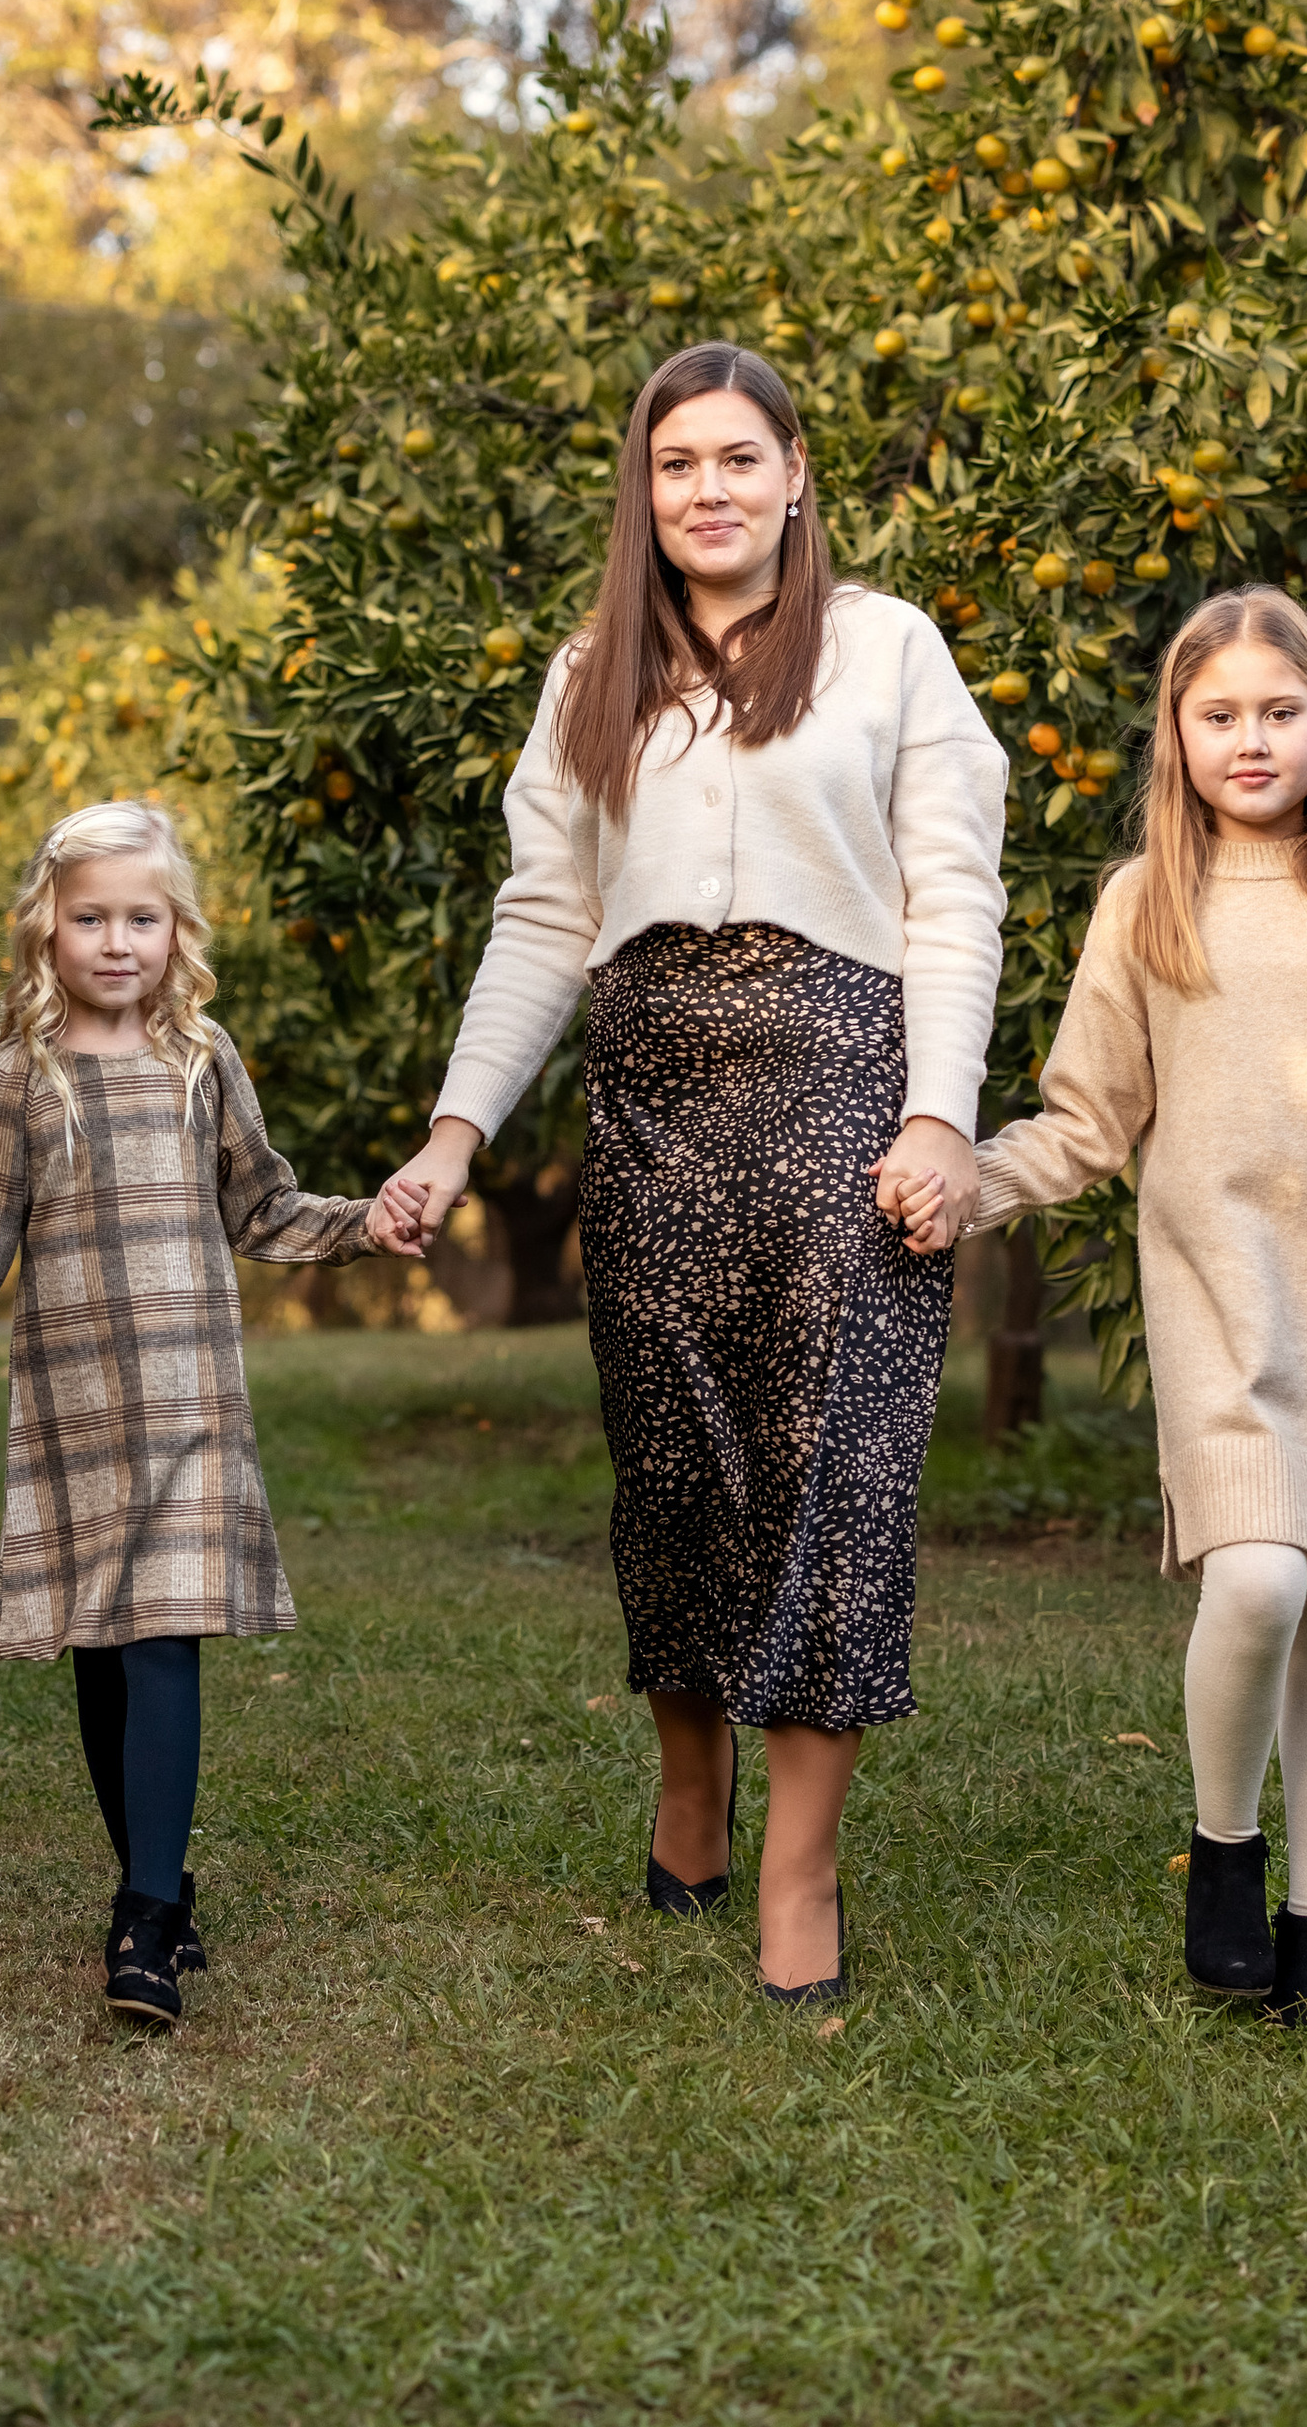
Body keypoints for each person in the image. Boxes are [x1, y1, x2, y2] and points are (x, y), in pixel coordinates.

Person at [379, 342, 1007, 2004]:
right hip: (652, 1099)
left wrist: (939, 1117)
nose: (709, 491)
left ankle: (801, 1872)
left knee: (835, 1476)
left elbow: (954, 900)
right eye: (677, 466)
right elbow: (542, 922)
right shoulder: (597, 670)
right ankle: (689, 1777)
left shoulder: (887, 650)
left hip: (847, 1103)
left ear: (797, 472)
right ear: (641, 492)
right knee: (674, 1468)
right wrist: (457, 1133)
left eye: (739, 459)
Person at [889, 582, 1307, 2019]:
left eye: (1279, 711)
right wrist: (968, 1178)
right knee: (1256, 1578)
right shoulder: (1148, 903)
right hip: (1218, 1299)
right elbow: (1086, 1116)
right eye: (1219, 715)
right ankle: (1223, 1850)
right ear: (1176, 735)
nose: (1251, 740)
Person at [0, 798, 416, 2028]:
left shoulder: (202, 1062)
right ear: (45, 930)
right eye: (90, 916)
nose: (116, 942)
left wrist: (371, 1220)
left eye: (141, 919)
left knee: (163, 1638)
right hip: (77, 1406)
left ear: (178, 932)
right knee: (102, 1654)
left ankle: (147, 1919)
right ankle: (149, 1878)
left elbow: (259, 1210)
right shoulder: (14, 1081)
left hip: (192, 1401)